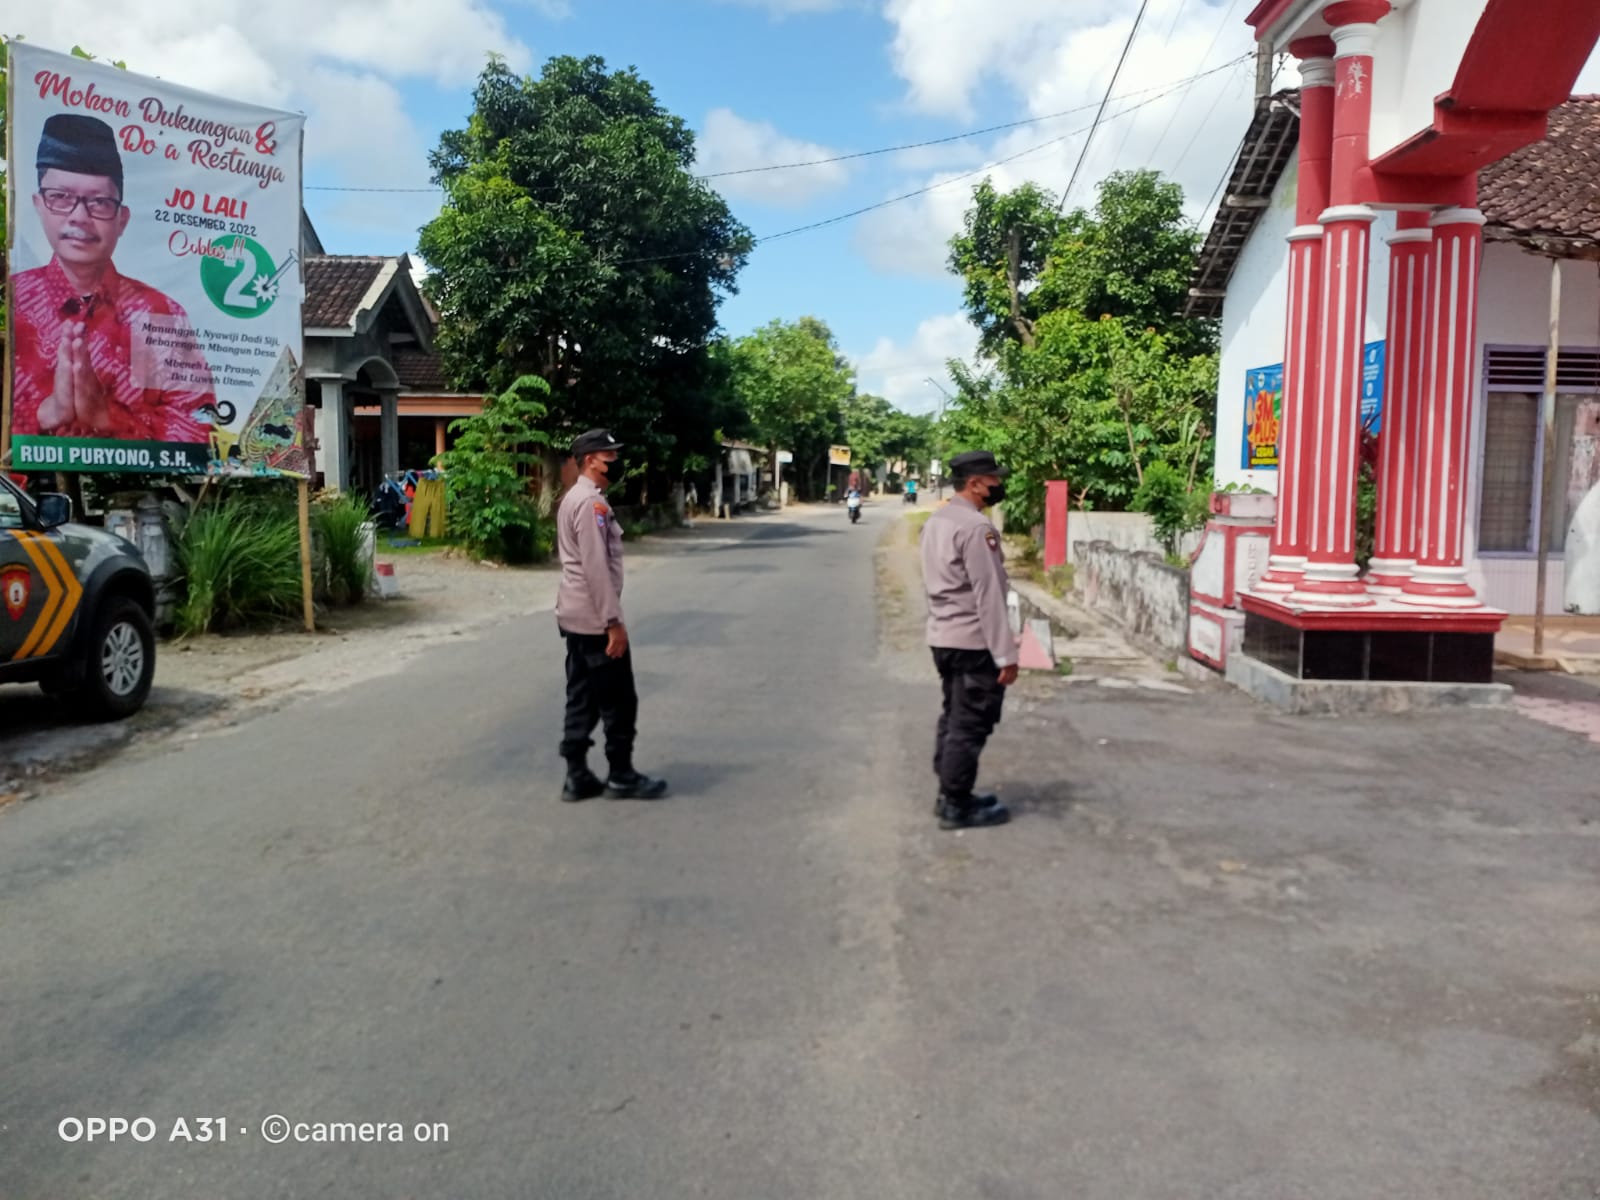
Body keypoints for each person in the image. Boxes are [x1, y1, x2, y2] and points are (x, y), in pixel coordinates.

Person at [11, 114, 215, 443]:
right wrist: (46, 413)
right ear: (39, 205)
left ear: (122, 219)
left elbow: (198, 426)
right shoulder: (12, 301)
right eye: (61, 197)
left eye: (99, 202)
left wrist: (107, 416)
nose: (80, 217)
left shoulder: (158, 313)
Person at [555, 429, 668, 802]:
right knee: (619, 700)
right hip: (594, 619)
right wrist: (613, 623)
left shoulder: (576, 498)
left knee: (582, 696)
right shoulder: (591, 505)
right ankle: (621, 775)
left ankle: (577, 776)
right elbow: (596, 569)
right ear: (590, 460)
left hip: (574, 616)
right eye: (610, 457)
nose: (616, 463)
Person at [919, 449, 1017, 830]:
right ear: (975, 483)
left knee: (954, 714)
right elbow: (988, 595)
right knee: (971, 721)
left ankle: (949, 791)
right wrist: (1005, 654)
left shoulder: (937, 521)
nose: (998, 485)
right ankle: (956, 804)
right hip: (973, 643)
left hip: (943, 637)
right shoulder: (976, 528)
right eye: (994, 480)